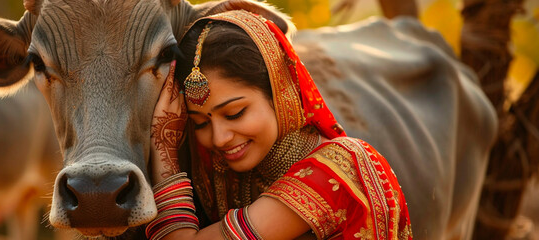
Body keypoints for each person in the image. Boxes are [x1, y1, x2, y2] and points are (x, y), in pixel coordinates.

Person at [148, 10, 412, 240]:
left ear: (280, 92)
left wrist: (164, 151)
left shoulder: (336, 170)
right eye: (199, 123)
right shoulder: (234, 176)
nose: (219, 138)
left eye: (235, 113)